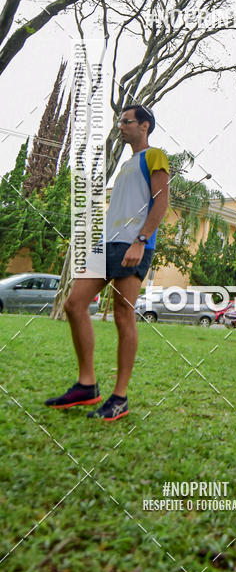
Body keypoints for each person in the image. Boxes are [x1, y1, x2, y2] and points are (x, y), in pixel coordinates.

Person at [45, 104, 169, 420]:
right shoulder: (127, 164)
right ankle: (87, 386)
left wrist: (141, 241)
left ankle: (119, 397)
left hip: (133, 244)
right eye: (119, 121)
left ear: (144, 125)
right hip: (106, 246)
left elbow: (161, 202)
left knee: (122, 313)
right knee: (75, 303)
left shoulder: (155, 156)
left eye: (126, 121)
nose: (120, 125)